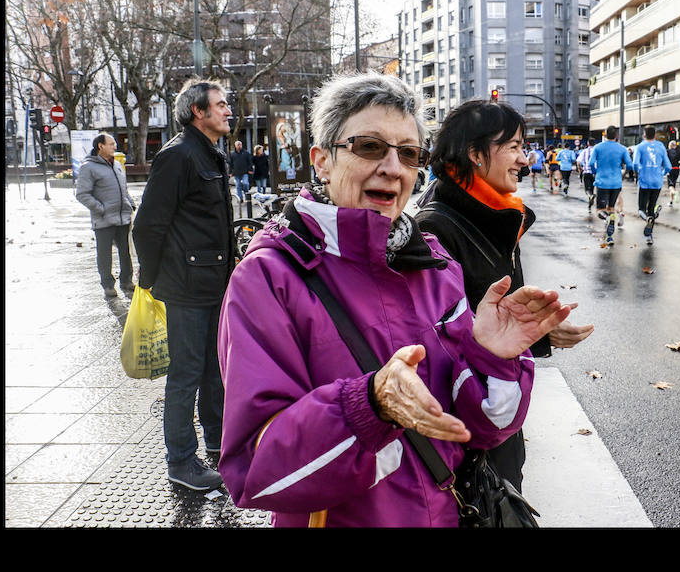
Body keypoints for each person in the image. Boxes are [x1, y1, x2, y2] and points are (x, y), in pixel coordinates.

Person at [215, 72, 572, 528]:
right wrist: (369, 406)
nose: (393, 167)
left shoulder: (436, 264)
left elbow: (481, 432)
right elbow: (255, 470)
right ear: (322, 162)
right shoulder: (268, 278)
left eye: (408, 153)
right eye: (369, 147)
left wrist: (493, 358)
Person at [415, 99, 594, 493]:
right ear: (475, 154)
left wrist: (540, 333)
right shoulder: (438, 227)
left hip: (496, 410)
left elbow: (491, 316)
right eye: (513, 147)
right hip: (470, 428)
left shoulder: (491, 212)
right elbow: (440, 346)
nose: (524, 159)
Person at [132, 78, 236, 491]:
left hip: (214, 283)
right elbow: (147, 225)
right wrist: (152, 278)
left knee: (215, 370)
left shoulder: (210, 153)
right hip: (187, 286)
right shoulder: (178, 155)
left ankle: (218, 440)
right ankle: (180, 461)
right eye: (221, 104)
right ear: (198, 111)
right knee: (186, 374)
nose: (228, 110)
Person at [75, 133, 137, 298]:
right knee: (104, 254)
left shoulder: (116, 165)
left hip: (123, 217)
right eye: (111, 144)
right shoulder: (88, 167)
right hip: (103, 219)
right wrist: (100, 208)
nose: (114, 146)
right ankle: (108, 285)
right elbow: (82, 194)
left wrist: (130, 204)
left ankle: (127, 281)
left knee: (125, 252)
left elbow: (123, 189)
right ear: (100, 146)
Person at [590, 126, 633, 246]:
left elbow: (591, 163)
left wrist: (595, 172)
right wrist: (623, 174)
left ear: (605, 135)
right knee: (611, 208)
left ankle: (607, 219)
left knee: (600, 210)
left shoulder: (598, 147)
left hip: (602, 182)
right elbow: (630, 165)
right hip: (616, 183)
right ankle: (609, 236)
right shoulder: (622, 149)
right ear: (616, 136)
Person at [632, 125, 671, 245]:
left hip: (644, 181)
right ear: (655, 135)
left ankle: (648, 219)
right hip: (657, 182)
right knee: (651, 207)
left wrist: (638, 172)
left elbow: (635, 164)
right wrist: (661, 174)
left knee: (641, 209)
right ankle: (649, 236)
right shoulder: (661, 146)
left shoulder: (640, 147)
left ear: (644, 135)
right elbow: (668, 166)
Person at [577, 139, 596, 211]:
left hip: (586, 172)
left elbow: (578, 161)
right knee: (592, 188)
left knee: (587, 190)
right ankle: (590, 204)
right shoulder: (597, 151)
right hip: (595, 173)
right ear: (594, 144)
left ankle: (590, 197)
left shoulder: (584, 151)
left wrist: (580, 168)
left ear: (588, 143)